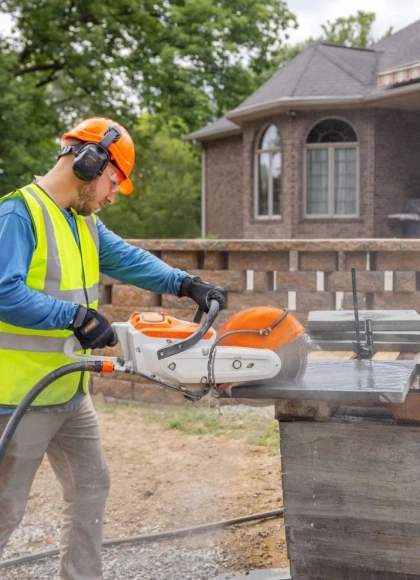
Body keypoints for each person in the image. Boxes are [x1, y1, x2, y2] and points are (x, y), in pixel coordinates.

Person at [0, 117, 226, 579]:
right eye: (113, 181)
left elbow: (129, 259)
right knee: (5, 510)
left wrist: (187, 283)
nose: (112, 194)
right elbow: (3, 291)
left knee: (90, 487)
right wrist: (76, 317)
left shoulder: (83, 222)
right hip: (17, 396)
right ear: (89, 161)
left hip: (68, 390)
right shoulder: (17, 215)